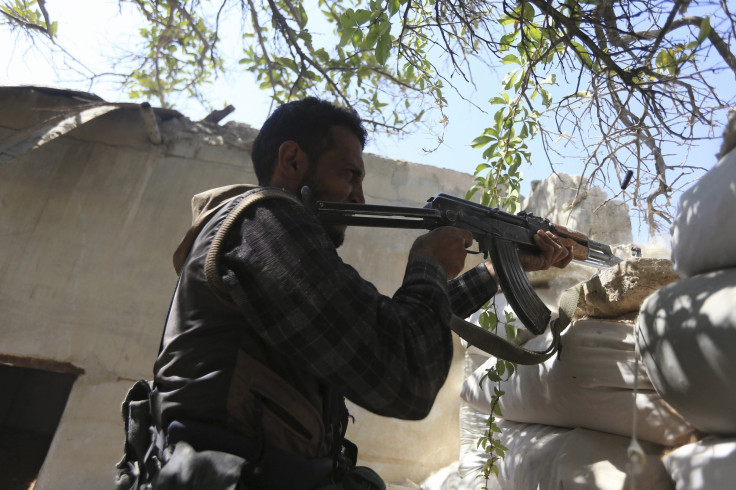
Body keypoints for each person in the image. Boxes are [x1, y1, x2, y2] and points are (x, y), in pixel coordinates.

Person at [148, 97, 572, 489]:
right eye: (350, 173)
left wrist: (497, 271)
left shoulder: (256, 234)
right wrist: (428, 263)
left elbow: (382, 327)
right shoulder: (264, 222)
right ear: (292, 160)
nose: (360, 196)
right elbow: (404, 375)